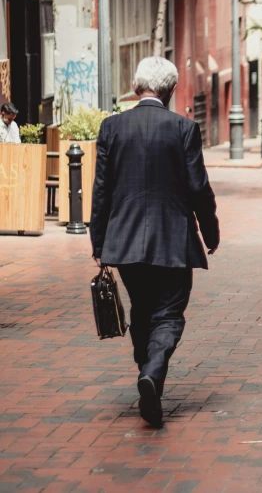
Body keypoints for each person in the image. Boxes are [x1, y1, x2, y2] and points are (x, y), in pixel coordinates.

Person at [90, 56, 220, 429]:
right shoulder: (183, 128)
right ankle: (153, 370)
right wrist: (209, 232)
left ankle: (147, 372)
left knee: (143, 309)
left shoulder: (112, 127)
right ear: (170, 90)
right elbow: (199, 188)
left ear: (135, 88)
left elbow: (102, 191)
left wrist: (99, 242)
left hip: (125, 241)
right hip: (173, 240)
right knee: (169, 314)